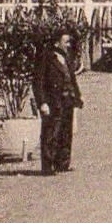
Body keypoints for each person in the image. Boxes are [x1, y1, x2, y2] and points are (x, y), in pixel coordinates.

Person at [33, 29, 84, 175]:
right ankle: (48, 166)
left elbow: (72, 79)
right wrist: (42, 102)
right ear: (57, 42)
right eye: (66, 41)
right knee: (50, 132)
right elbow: (38, 82)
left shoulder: (66, 57)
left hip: (67, 99)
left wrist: (78, 96)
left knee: (66, 132)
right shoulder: (46, 57)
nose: (68, 45)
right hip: (53, 100)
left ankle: (63, 163)